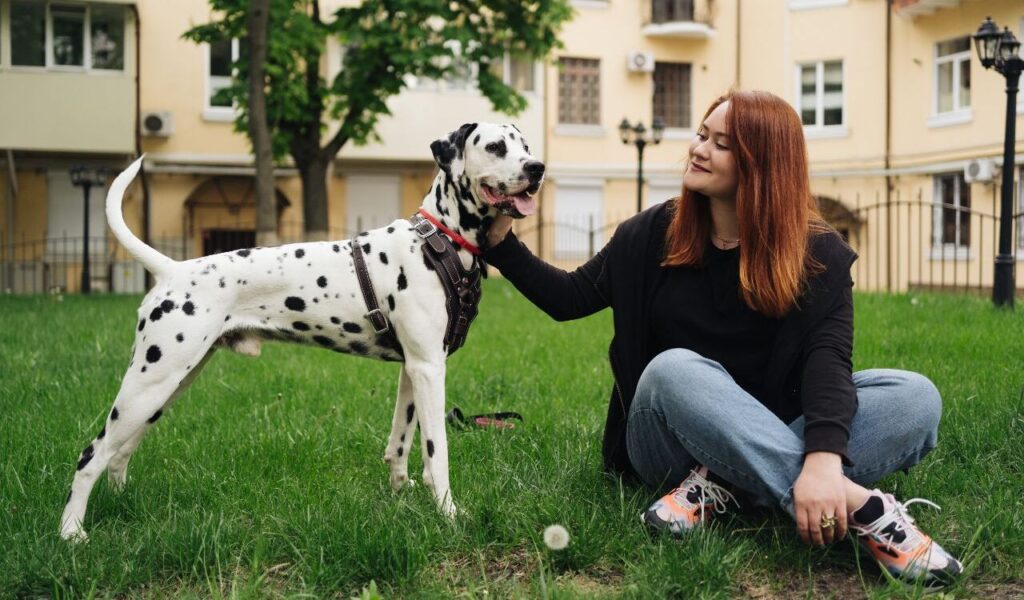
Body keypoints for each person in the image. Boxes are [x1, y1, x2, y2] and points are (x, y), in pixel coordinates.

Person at [482, 90, 962, 588]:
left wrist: (823, 456)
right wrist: (502, 245)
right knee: (674, 369)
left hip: (771, 423)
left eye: (721, 143)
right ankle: (863, 508)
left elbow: (828, 362)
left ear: (763, 164)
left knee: (913, 398)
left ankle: (728, 484)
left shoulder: (818, 254)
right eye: (701, 135)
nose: (699, 149)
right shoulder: (651, 233)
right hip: (664, 436)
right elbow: (571, 297)